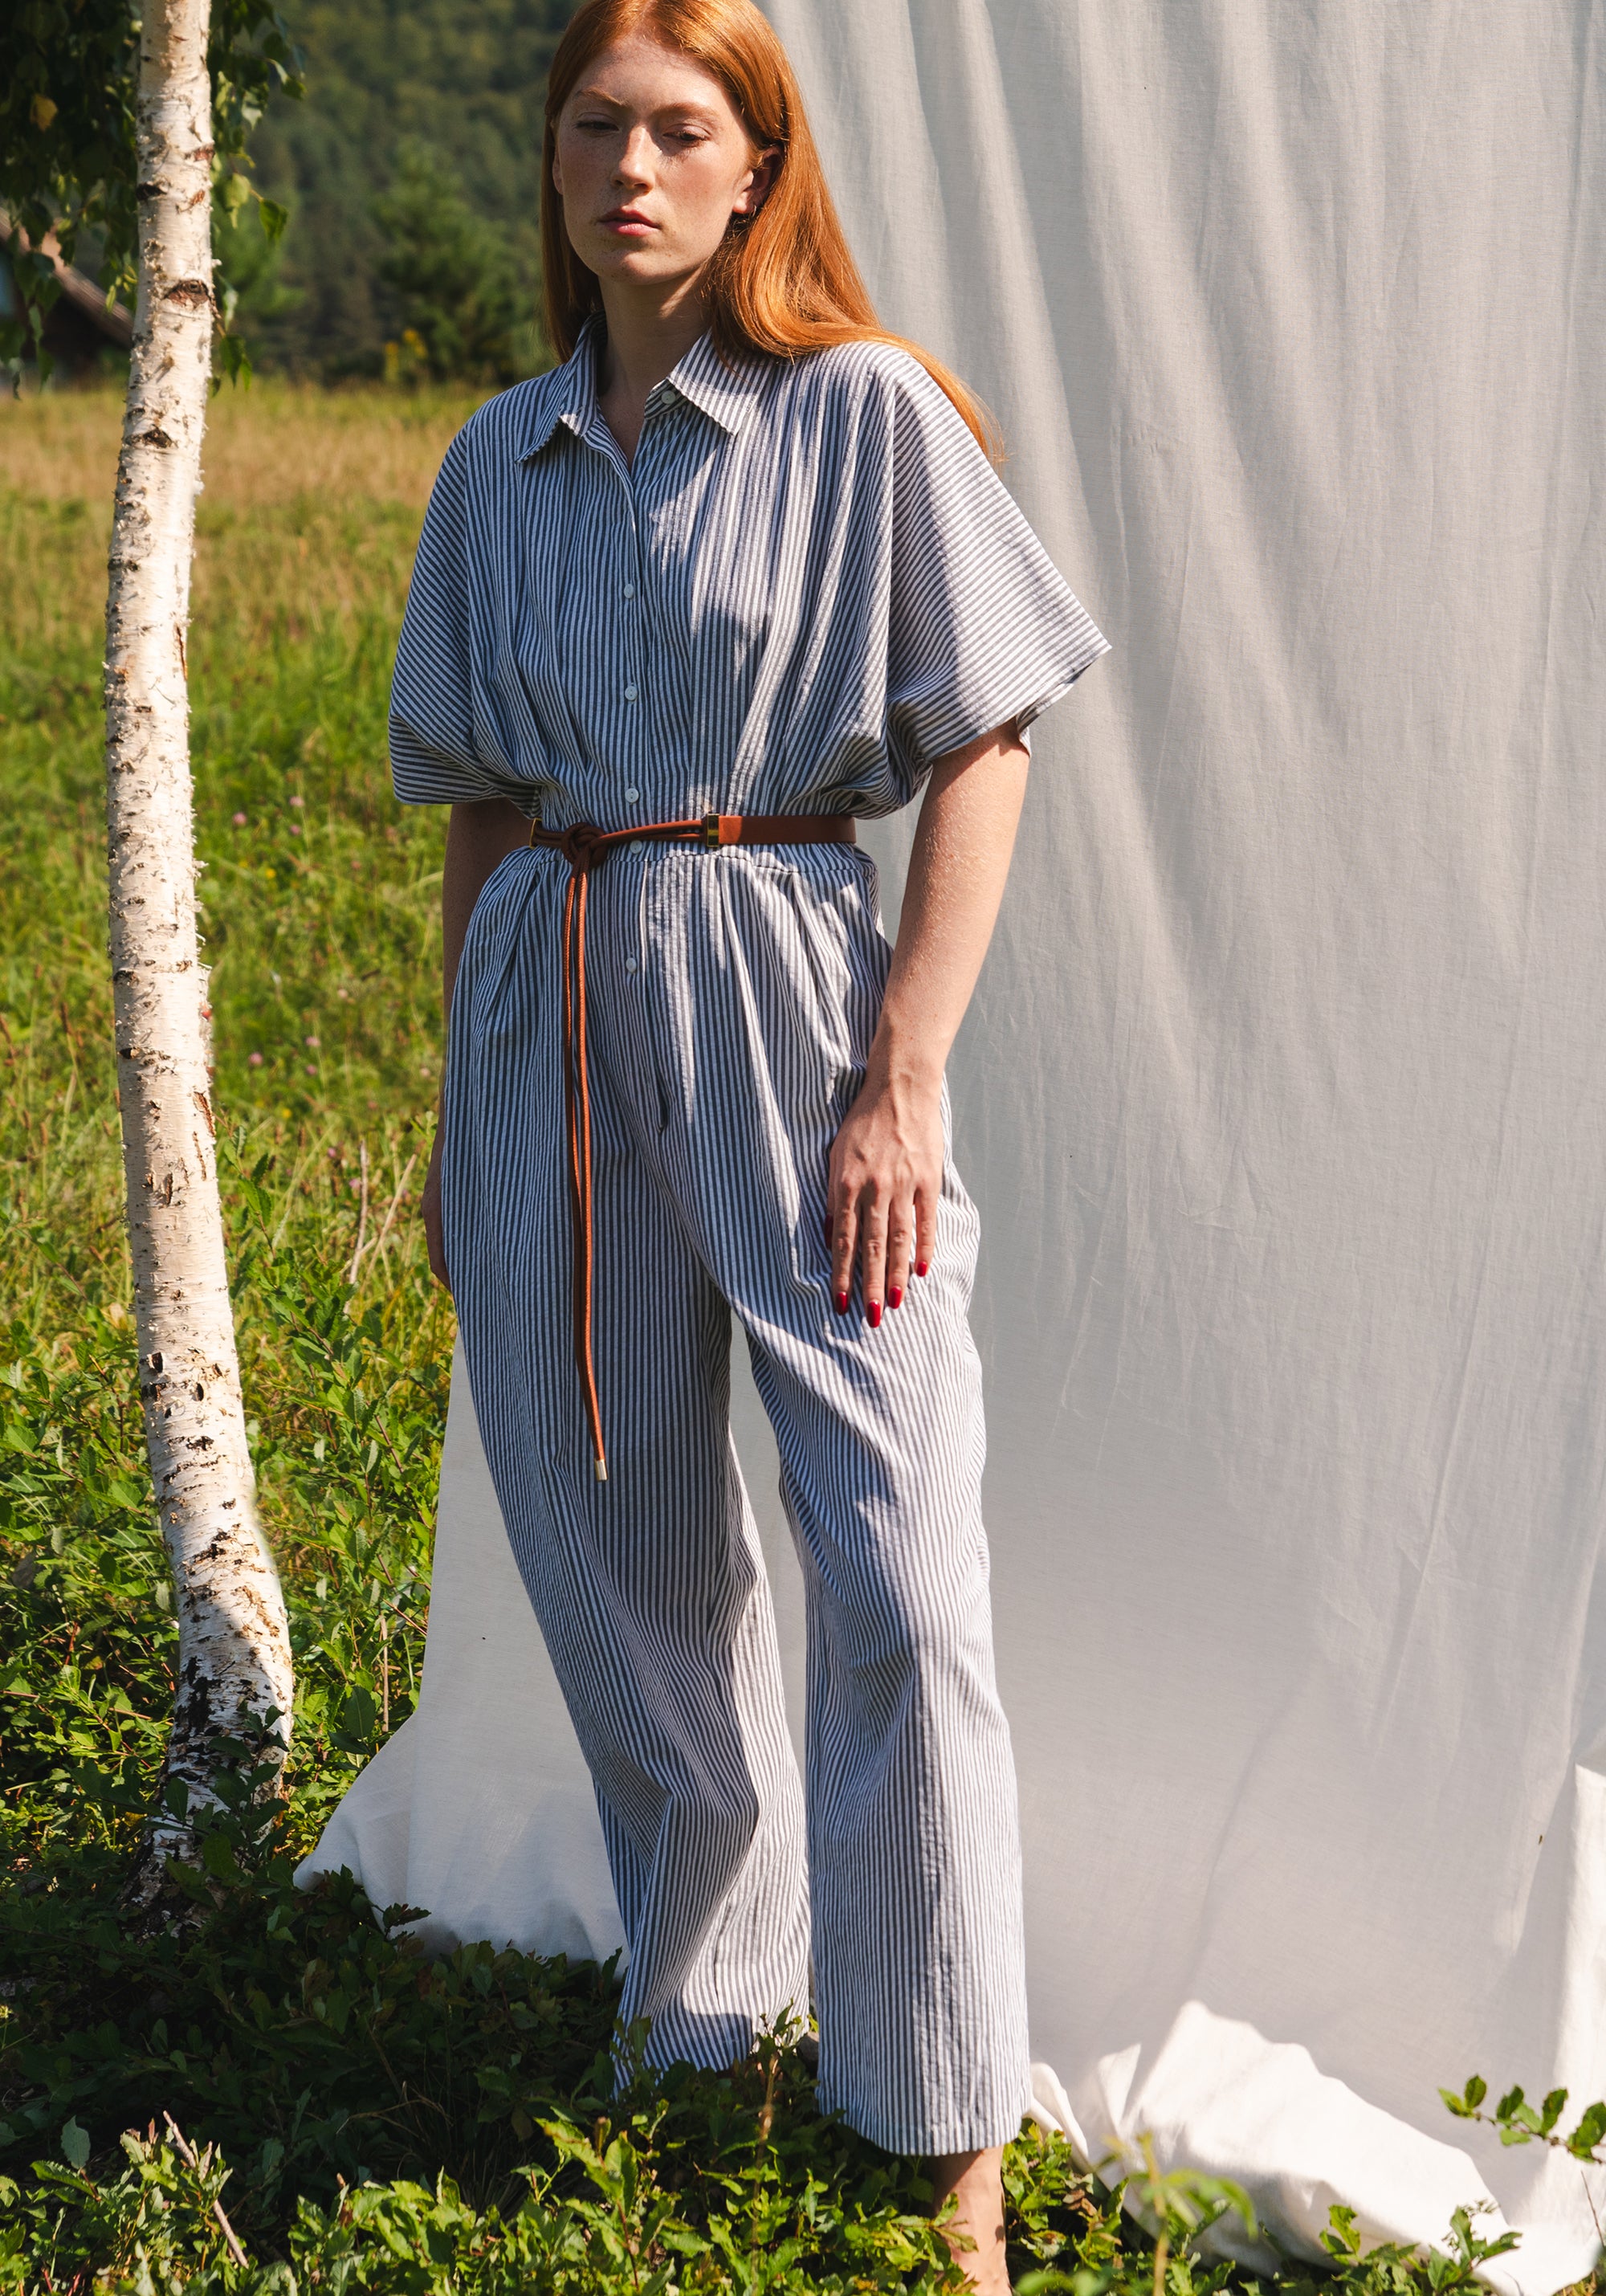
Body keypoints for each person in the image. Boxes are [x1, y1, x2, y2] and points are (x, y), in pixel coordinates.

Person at [394, 1, 1108, 2283]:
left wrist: (905, 1065)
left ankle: (945, 2127)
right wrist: (457, 1095)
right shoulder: (494, 461)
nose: (629, 164)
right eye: (593, 124)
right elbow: (482, 799)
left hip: (795, 1003)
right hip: (551, 995)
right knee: (620, 1556)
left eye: (677, 127)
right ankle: (702, 2022)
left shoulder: (860, 413)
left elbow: (983, 728)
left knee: (896, 1566)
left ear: (754, 163)